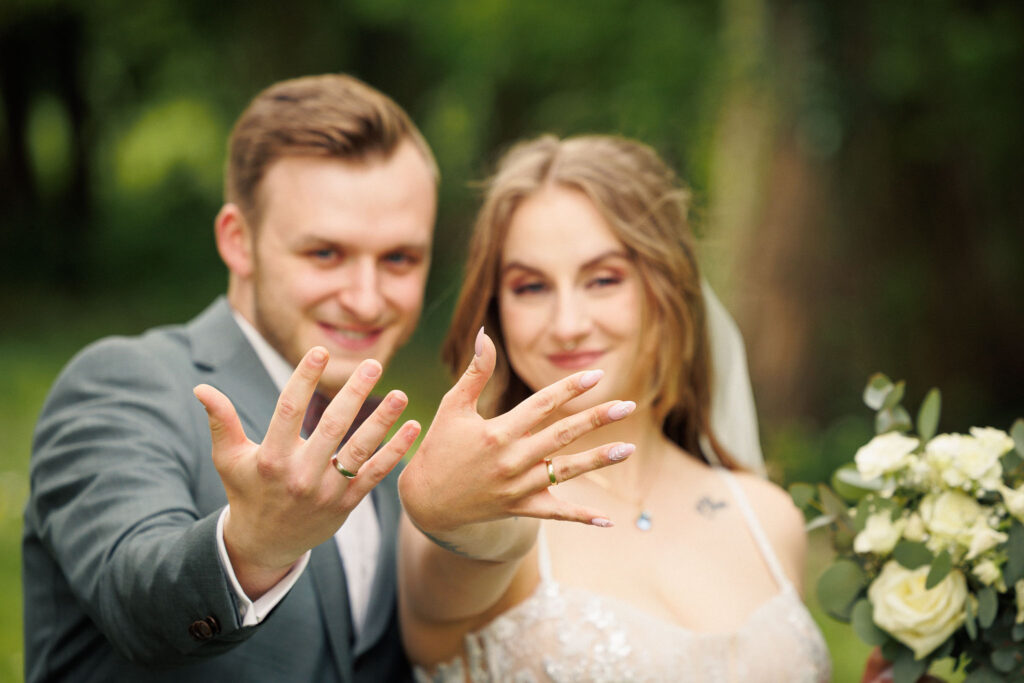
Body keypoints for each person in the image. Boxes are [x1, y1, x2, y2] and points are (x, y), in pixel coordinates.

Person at [21, 74, 627, 682]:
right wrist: (251, 548)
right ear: (239, 241)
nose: (365, 299)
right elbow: (133, 598)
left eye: (398, 259)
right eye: (325, 254)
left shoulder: (400, 458)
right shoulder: (126, 383)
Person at [398, 134, 831, 681]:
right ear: (497, 310)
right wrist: (452, 517)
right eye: (530, 287)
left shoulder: (769, 518)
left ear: (666, 287)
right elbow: (472, 549)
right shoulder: (481, 500)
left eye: (603, 279)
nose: (568, 324)